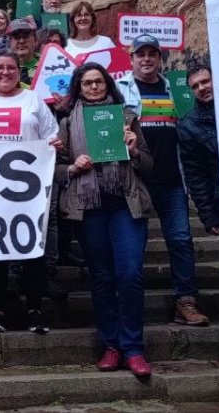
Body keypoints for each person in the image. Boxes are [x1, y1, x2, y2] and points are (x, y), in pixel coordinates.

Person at [57, 63, 154, 378]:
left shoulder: (126, 117)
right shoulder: (67, 122)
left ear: (108, 85)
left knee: (129, 274)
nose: (94, 87)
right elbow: (54, 167)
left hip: (126, 204)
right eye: (87, 83)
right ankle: (112, 346)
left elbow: (150, 165)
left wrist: (135, 150)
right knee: (101, 277)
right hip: (89, 207)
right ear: (79, 87)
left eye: (99, 82)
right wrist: (73, 166)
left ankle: (134, 348)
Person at [0, 50, 61, 334]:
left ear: (19, 71)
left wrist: (54, 146)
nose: (5, 72)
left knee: (32, 250)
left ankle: (34, 309)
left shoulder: (34, 100)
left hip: (28, 188)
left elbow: (51, 136)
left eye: (11, 68)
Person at [116, 34, 209, 327]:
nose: (146, 59)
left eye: (152, 54)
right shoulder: (119, 89)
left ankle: (186, 302)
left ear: (160, 58)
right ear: (131, 59)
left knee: (181, 240)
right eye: (140, 54)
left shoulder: (176, 89)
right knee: (134, 245)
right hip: (136, 180)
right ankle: (131, 306)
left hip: (172, 179)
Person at [178, 64, 219, 236]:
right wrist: (208, 215)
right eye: (195, 86)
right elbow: (196, 175)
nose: (201, 88)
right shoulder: (188, 126)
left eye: (205, 81)